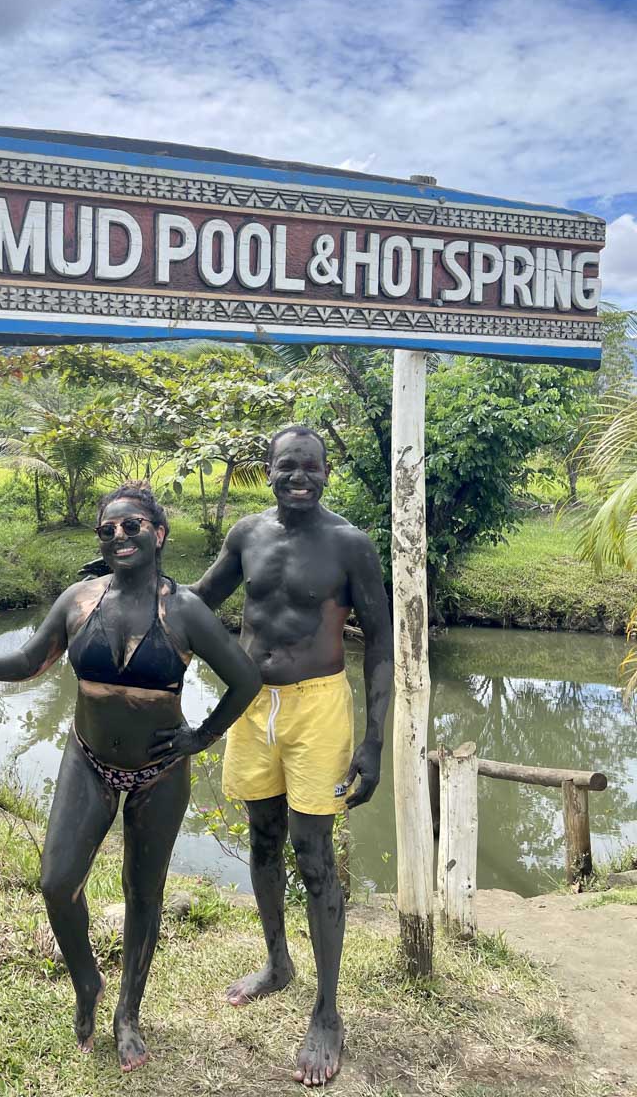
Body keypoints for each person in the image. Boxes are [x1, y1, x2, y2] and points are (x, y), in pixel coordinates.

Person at [0, 481, 261, 1074]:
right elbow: (30, 660)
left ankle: (127, 1015)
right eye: (108, 529)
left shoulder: (184, 610)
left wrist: (199, 738)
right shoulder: (79, 599)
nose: (119, 536)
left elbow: (244, 680)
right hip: (88, 758)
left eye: (132, 526)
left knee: (144, 893)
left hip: (160, 773)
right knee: (57, 882)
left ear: (158, 534)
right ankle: (86, 981)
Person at [190, 425, 393, 1088]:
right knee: (261, 840)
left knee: (314, 855)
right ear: (268, 470)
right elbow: (199, 602)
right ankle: (278, 964)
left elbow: (383, 645)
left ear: (327, 472)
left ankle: (328, 1011)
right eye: (286, 467)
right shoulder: (247, 534)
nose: (298, 477)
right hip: (251, 704)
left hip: (317, 709)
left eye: (310, 468)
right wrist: (128, 589)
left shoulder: (349, 545)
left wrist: (374, 742)